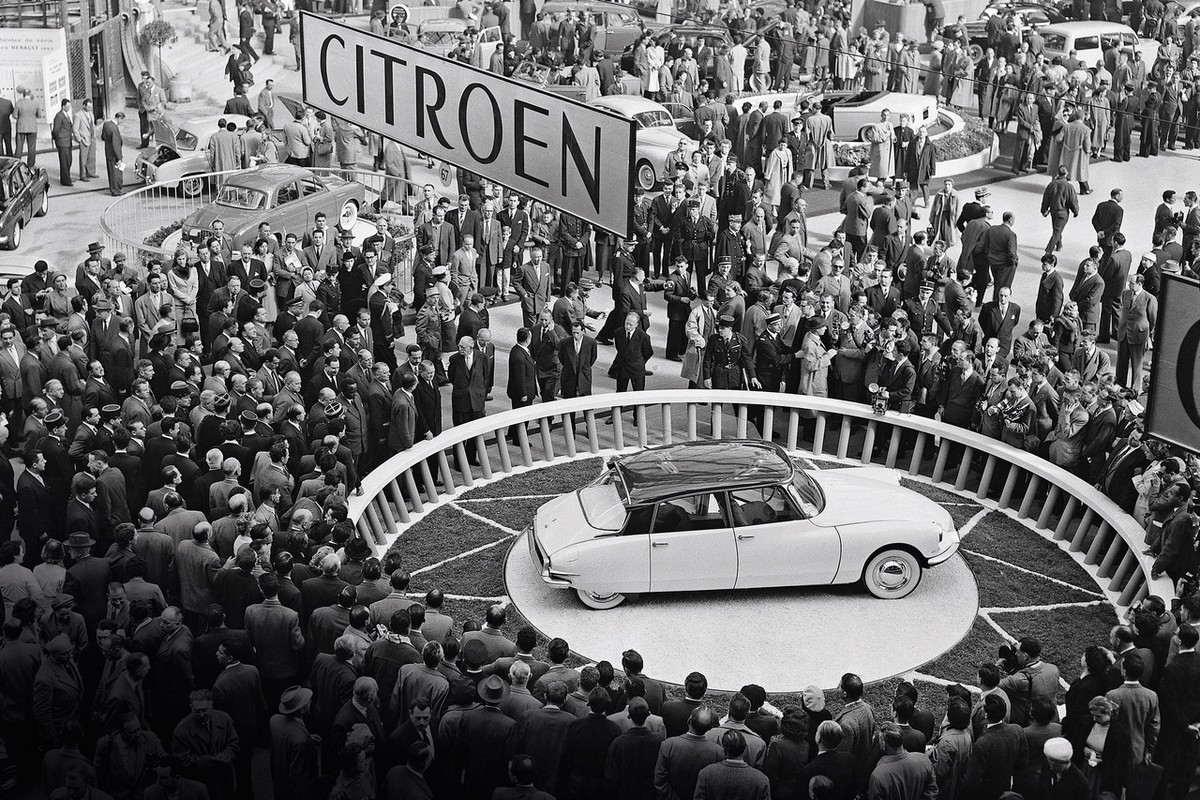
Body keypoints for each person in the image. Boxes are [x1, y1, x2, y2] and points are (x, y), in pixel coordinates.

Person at [100, 112, 126, 197]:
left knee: (111, 172)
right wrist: (119, 158)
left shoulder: (106, 124)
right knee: (116, 173)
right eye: (122, 120)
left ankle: (113, 188)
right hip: (114, 154)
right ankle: (116, 190)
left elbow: (103, 137)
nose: (121, 122)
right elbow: (116, 145)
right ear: (119, 118)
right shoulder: (114, 129)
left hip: (108, 152)